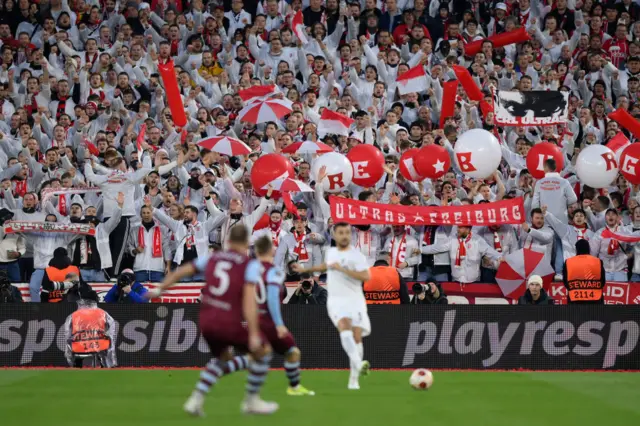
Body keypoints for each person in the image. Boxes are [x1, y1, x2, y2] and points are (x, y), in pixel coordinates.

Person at [147, 225, 278, 416]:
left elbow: (182, 271)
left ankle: (195, 400)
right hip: (228, 320)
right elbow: (249, 301)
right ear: (246, 243)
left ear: (229, 241)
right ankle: (251, 401)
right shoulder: (249, 265)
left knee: (222, 358)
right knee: (264, 350)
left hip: (207, 319)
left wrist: (160, 289)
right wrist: (253, 332)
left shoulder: (213, 257)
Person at [293, 222, 371, 390]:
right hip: (337, 299)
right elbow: (324, 266)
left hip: (355, 298)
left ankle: (354, 378)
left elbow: (365, 276)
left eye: (346, 232)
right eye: (340, 232)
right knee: (344, 327)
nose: (344, 235)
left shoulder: (358, 256)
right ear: (335, 235)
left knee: (357, 336)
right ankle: (358, 363)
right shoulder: (331, 252)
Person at [64, 299, 117, 368]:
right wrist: (107, 336)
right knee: (104, 351)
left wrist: (70, 343)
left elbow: (67, 333)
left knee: (76, 355)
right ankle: (105, 366)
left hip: (79, 346)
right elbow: (112, 327)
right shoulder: (103, 313)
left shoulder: (73, 315)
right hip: (100, 345)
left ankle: (76, 368)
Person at [563, 240, 606, 304]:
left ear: (576, 249)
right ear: (588, 248)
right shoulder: (598, 261)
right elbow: (602, 281)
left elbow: (565, 281)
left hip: (575, 298)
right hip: (595, 299)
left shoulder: (568, 262)